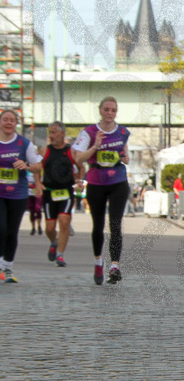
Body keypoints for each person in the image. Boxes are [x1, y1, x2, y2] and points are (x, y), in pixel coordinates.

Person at [72, 96, 131, 285]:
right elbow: (79, 158)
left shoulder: (122, 131)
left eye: (113, 110)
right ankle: (98, 261)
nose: (110, 113)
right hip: (96, 181)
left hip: (118, 181)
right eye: (106, 109)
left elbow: (125, 155)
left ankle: (115, 265)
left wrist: (124, 157)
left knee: (115, 224)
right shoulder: (89, 132)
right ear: (100, 110)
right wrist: (96, 146)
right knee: (97, 225)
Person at [0, 109, 43, 283]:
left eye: (12, 120)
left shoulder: (24, 144)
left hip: (18, 194)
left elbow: (39, 165)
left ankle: (8, 268)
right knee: (0, 228)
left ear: (16, 123)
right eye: (5, 119)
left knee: (11, 232)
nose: (9, 123)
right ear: (0, 122)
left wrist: (25, 165)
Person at [41, 121, 85, 267]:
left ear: (62, 133)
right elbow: (35, 166)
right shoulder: (44, 151)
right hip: (49, 193)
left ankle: (60, 255)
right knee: (49, 228)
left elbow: (81, 167)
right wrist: (37, 183)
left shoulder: (71, 151)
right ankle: (54, 242)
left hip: (66, 192)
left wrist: (80, 180)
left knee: (64, 222)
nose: (51, 135)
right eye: (50, 132)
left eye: (54, 132)